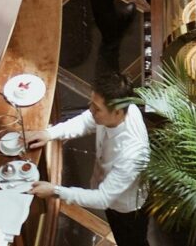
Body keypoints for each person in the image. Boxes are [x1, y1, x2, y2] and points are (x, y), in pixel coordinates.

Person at [28, 71, 150, 246]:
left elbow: (102, 198)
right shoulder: (119, 110)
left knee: (132, 241)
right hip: (110, 194)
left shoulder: (132, 153)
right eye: (91, 103)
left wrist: (55, 190)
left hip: (127, 209)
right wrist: (48, 134)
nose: (91, 111)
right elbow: (85, 121)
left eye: (97, 108)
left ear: (116, 113)